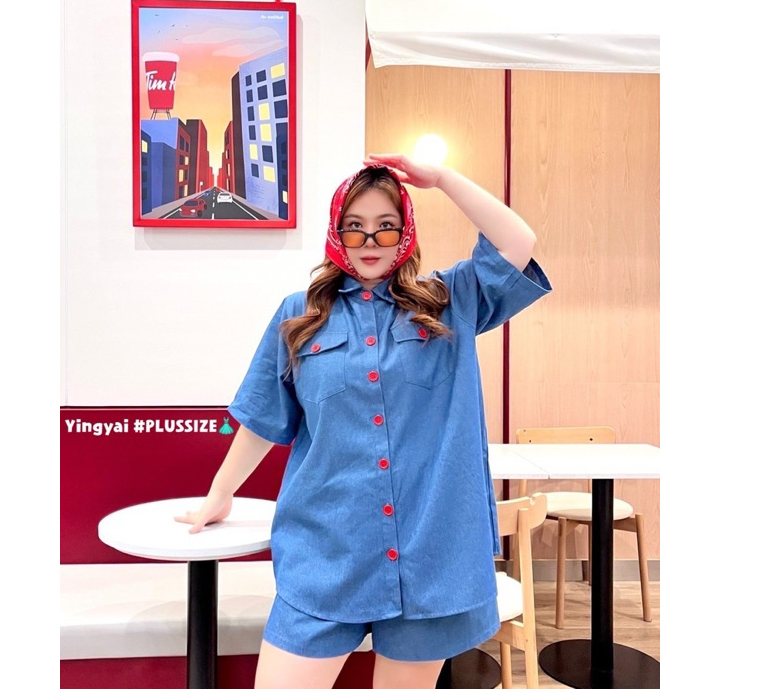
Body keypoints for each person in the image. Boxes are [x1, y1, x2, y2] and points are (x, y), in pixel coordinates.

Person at [175, 153, 552, 689]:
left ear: (405, 232)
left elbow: (518, 243)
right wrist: (220, 494)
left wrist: (443, 179)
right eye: (354, 227)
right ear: (336, 233)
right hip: (327, 551)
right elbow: (263, 416)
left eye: (385, 226)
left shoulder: (448, 301)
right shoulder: (299, 315)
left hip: (429, 554)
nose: (370, 241)